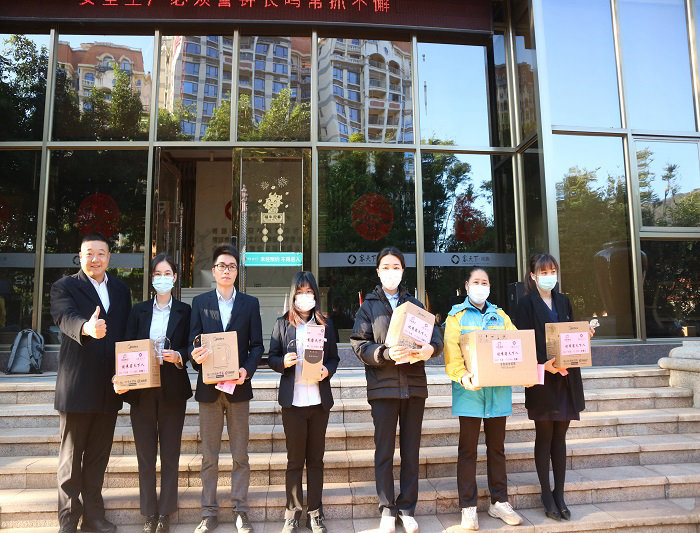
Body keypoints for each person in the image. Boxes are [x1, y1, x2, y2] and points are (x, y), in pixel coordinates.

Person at [350, 247, 444, 533]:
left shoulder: (415, 304)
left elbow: (436, 337)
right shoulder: (368, 307)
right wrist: (385, 353)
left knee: (411, 451)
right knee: (384, 451)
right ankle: (387, 508)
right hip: (383, 388)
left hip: (414, 387)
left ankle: (407, 508)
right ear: (378, 272)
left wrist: (430, 349)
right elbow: (359, 344)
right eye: (386, 267)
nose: (391, 272)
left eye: (396, 267)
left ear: (403, 271)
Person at [50, 233, 132, 533]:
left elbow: (126, 334)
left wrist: (127, 372)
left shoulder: (121, 290)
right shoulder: (65, 286)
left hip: (110, 386)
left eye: (101, 253)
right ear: (80, 256)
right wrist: (86, 327)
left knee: (98, 457)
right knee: (71, 459)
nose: (95, 259)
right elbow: (65, 317)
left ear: (109, 257)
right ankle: (69, 520)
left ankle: (94, 516)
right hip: (78, 386)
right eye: (89, 253)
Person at [114, 254, 192, 533]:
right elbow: (126, 345)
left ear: (175, 278)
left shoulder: (185, 310)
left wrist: (179, 355)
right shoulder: (139, 310)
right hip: (143, 390)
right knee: (145, 455)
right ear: (152, 279)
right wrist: (121, 377)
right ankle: (149, 513)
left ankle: (165, 513)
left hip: (173, 388)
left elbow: (191, 346)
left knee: (170, 454)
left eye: (167, 273)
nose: (162, 278)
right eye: (157, 273)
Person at [188, 244, 264, 533]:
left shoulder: (250, 304)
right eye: (222, 266)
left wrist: (247, 369)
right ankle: (208, 512)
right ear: (214, 270)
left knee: (240, 455)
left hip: (238, 388)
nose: (227, 270)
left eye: (232, 266)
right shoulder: (200, 303)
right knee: (209, 456)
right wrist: (195, 356)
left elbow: (257, 346)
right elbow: (193, 342)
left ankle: (240, 510)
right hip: (209, 390)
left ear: (237, 272)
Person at [443, 267, 524, 531]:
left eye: (485, 282)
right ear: (467, 286)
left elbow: (516, 345)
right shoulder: (456, 316)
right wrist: (462, 376)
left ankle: (499, 501)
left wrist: (525, 370)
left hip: (498, 394)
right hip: (470, 393)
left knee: (497, 449)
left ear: (490, 287)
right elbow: (451, 353)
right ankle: (468, 507)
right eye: (476, 282)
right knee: (467, 451)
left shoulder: (500, 316)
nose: (481, 286)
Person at [511, 253, 590, 521]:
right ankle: (546, 493)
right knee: (544, 435)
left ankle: (560, 493)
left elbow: (571, 335)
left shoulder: (564, 301)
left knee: (560, 436)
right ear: (533, 276)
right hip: (542, 377)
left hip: (566, 378)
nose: (549, 276)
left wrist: (584, 336)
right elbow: (522, 342)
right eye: (543, 272)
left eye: (553, 271)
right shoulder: (525, 304)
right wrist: (543, 364)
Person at [267, 271, 340, 533]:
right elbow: (271, 357)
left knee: (316, 460)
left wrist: (327, 370)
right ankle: (292, 513)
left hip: (318, 403)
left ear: (315, 295)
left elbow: (334, 358)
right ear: (293, 295)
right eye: (300, 292)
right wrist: (282, 363)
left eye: (309, 292)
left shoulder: (325, 324)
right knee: (295, 461)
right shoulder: (282, 324)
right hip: (293, 404)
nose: (305, 296)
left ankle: (315, 513)